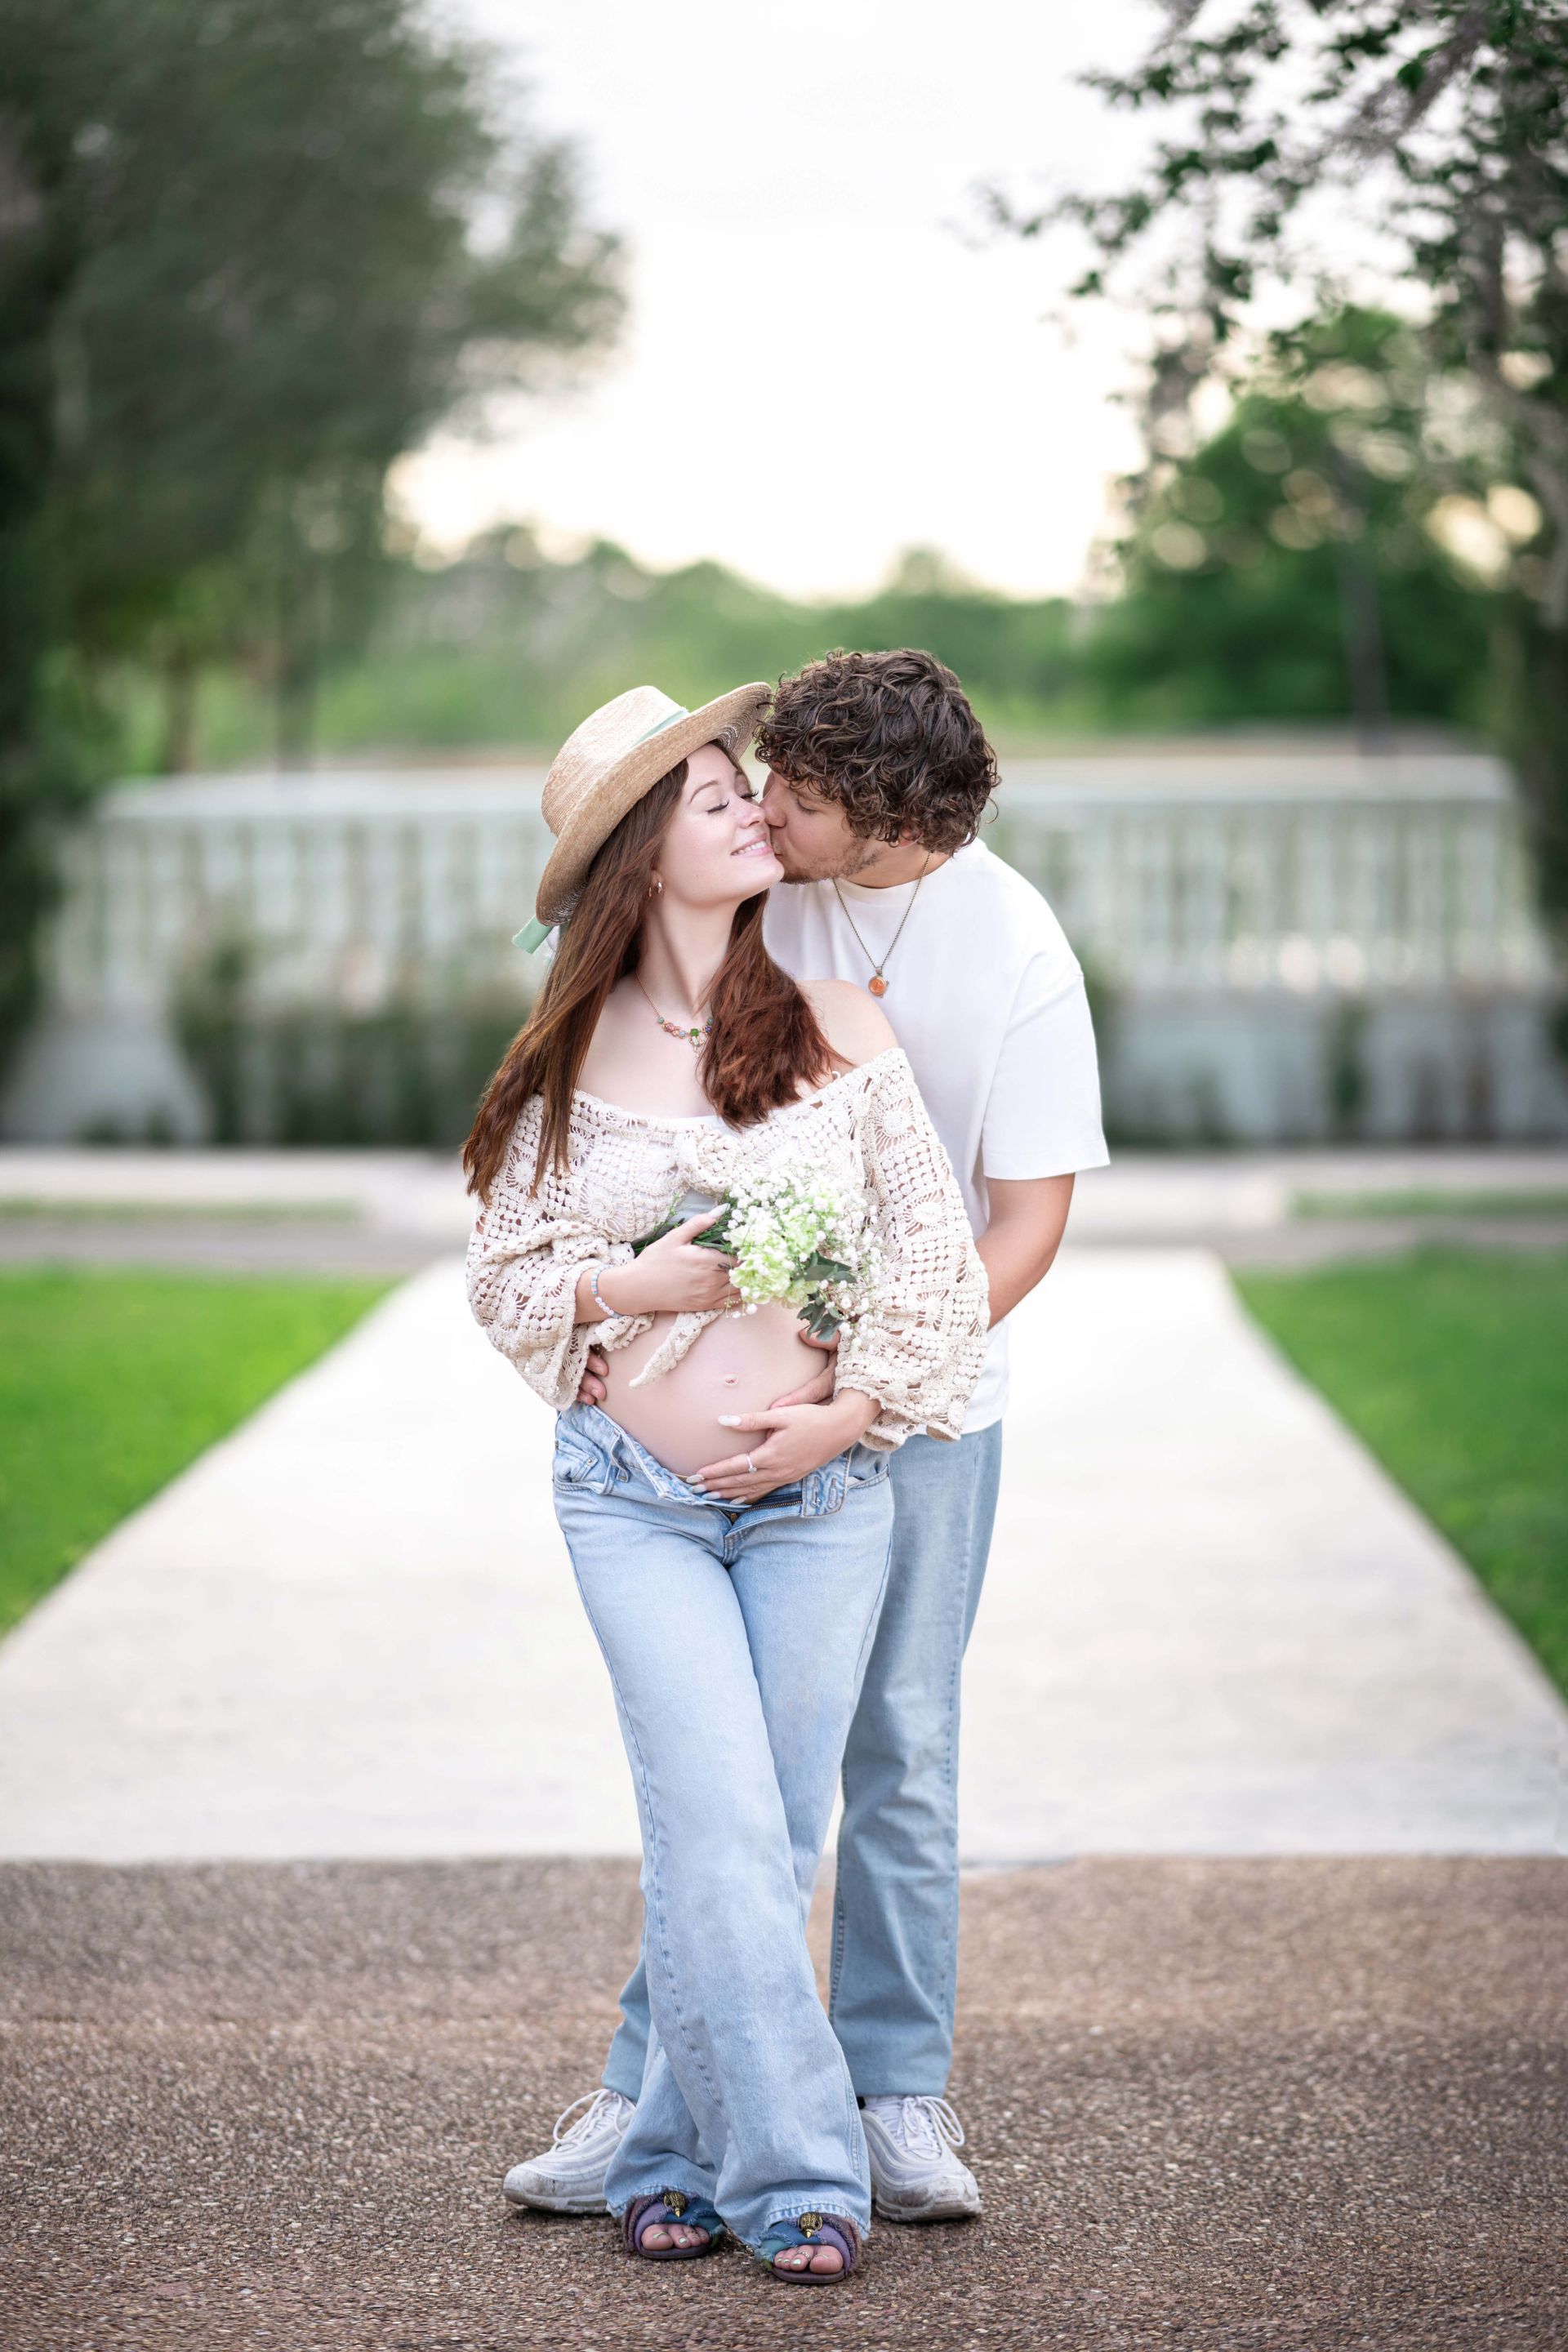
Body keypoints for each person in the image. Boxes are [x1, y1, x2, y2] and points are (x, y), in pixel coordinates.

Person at [504, 649, 1108, 2226]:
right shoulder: (766, 885)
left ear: (893, 821)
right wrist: (612, 1321)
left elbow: (1025, 1223)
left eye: (801, 794)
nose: (765, 806)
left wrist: (871, 1380)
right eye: (756, 780)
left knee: (894, 1747)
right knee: (731, 1784)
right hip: (694, 1449)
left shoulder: (1015, 951)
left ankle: (895, 2093)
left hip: (929, 1405)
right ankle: (663, 2087)